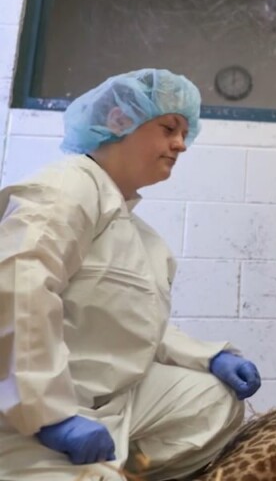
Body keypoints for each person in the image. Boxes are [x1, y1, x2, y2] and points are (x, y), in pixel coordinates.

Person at [0, 69, 262, 480]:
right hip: (26, 413)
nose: (181, 144)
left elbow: (135, 331)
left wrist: (210, 356)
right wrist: (49, 415)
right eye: (168, 128)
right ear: (120, 121)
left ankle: (119, 465)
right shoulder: (66, 188)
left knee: (213, 401)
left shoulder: (140, 236)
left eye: (184, 132)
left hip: (109, 401)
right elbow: (18, 291)